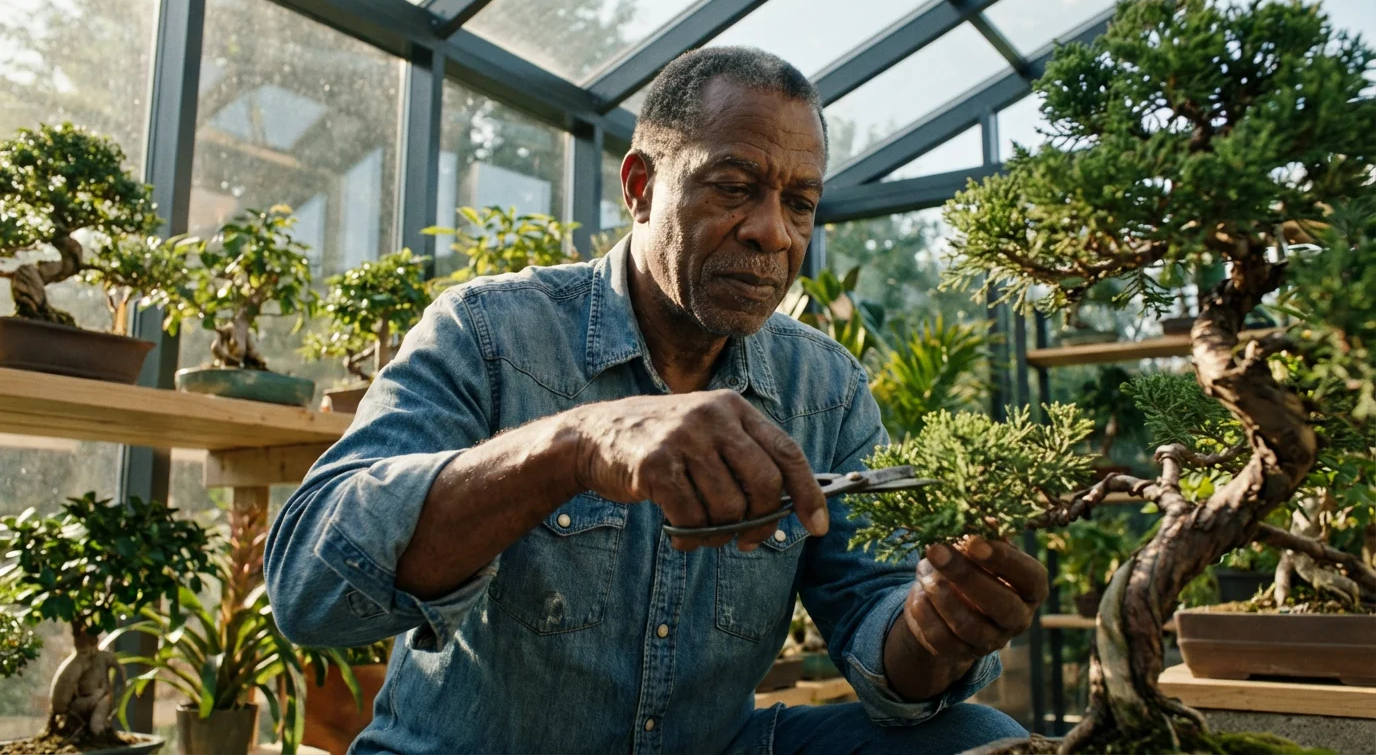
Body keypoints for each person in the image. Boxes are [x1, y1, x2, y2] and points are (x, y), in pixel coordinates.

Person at [264, 46, 1044, 754]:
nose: (773, 232)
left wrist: (935, 634)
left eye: (801, 204)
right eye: (735, 187)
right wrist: (576, 446)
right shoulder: (491, 332)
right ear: (640, 187)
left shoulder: (824, 390)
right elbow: (309, 591)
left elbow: (874, 607)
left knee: (978, 737)